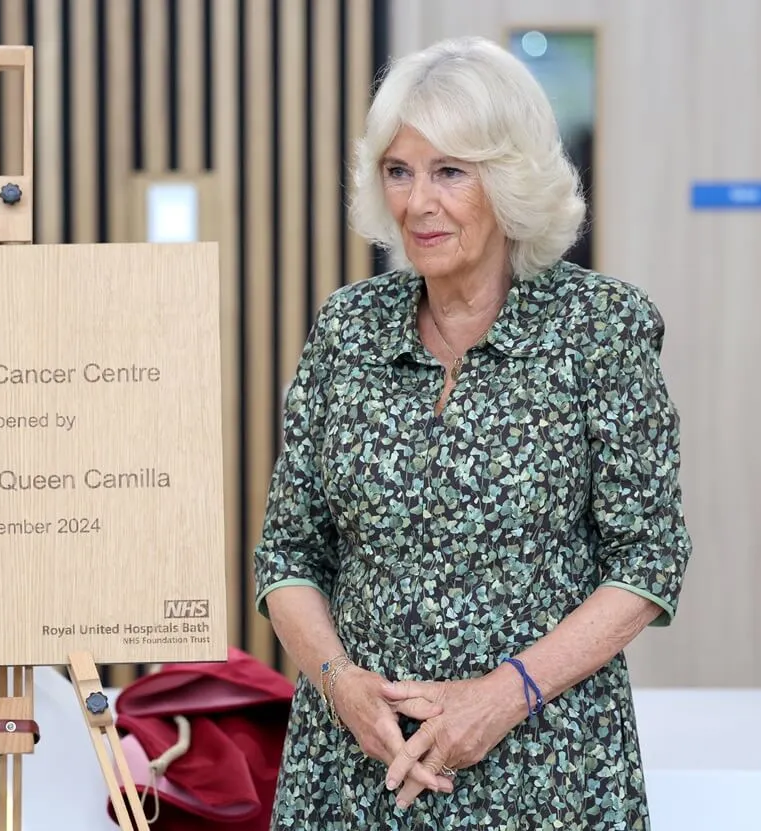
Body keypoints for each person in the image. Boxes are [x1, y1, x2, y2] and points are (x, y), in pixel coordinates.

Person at [252, 35, 692, 829]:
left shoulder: (600, 327)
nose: (418, 202)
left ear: (510, 176)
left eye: (449, 171)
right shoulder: (347, 330)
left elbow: (648, 561)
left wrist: (501, 696)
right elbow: (286, 555)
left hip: (544, 766)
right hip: (354, 766)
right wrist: (340, 682)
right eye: (399, 170)